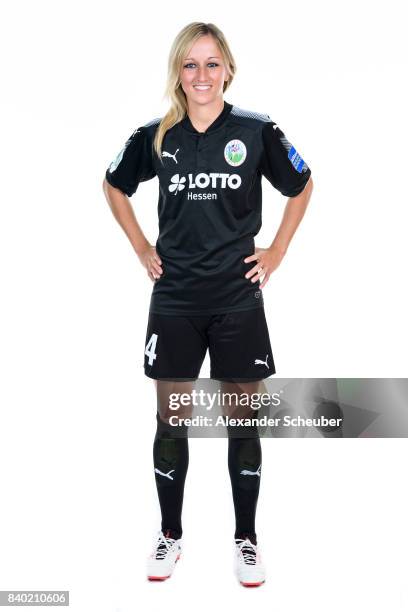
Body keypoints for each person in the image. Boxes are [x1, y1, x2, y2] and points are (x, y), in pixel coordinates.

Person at [102, 21, 313, 587]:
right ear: (178, 71)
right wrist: (143, 245)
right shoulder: (156, 137)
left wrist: (277, 251)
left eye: (212, 63)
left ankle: (246, 538)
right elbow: (113, 185)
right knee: (172, 420)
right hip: (174, 300)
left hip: (237, 298)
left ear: (228, 69)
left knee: (244, 422)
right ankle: (170, 534)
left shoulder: (256, 130)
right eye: (190, 64)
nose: (201, 75)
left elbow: (302, 183)